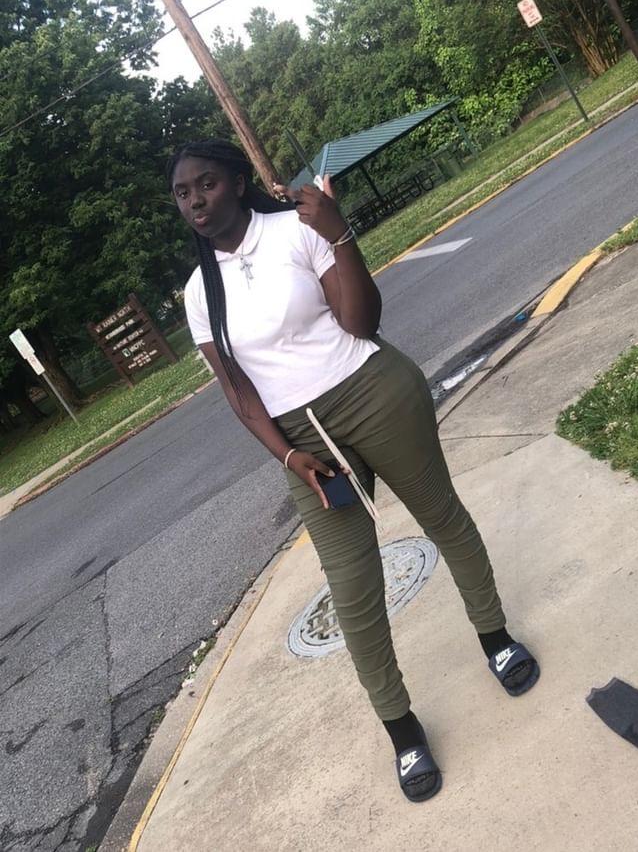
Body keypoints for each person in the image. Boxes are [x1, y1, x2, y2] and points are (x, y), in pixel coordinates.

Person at [168, 138, 540, 803]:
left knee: (442, 518)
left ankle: (497, 638)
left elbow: (360, 322)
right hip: (304, 444)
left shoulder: (297, 230)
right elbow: (239, 391)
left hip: (374, 392)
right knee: (351, 587)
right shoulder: (200, 293)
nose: (195, 200)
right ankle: (402, 728)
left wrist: (339, 234)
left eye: (207, 184)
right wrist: (287, 455)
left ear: (236, 182)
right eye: (183, 192)